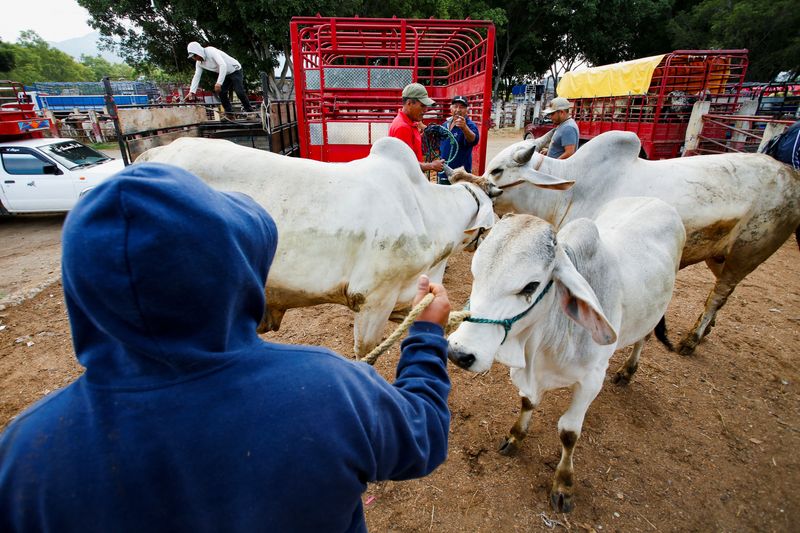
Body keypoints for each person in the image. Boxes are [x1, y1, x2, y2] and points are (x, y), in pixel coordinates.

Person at [0, 162, 452, 532]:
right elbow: (425, 434)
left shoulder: (26, 453)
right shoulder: (328, 388)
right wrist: (426, 337)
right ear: (232, 273)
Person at [389, 83, 445, 174]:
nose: (426, 110)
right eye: (422, 106)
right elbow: (405, 164)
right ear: (409, 103)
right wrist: (432, 165)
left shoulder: (410, 124)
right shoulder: (403, 127)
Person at [186, 41, 254, 113]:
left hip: (235, 70)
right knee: (221, 92)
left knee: (239, 91)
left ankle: (250, 112)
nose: (195, 58)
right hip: (224, 73)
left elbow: (223, 65)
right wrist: (191, 92)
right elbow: (197, 76)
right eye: (193, 57)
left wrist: (219, 83)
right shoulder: (199, 63)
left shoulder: (211, 51)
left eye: (195, 55)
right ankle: (229, 113)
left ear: (199, 52)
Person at [437, 95, 479, 185]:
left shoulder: (470, 125)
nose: (458, 110)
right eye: (455, 106)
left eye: (462, 107)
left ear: (467, 110)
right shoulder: (445, 124)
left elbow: (473, 140)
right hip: (443, 172)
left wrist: (464, 128)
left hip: (461, 175)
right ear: (451, 108)